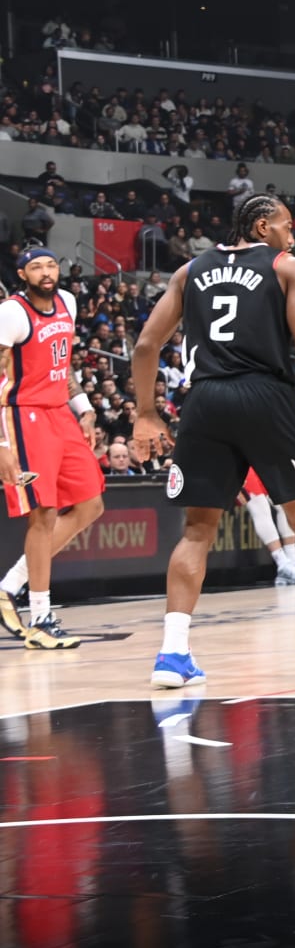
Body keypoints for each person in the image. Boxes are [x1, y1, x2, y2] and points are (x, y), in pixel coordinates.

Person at [130, 195, 295, 688]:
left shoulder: (189, 270)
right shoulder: (287, 266)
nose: (293, 235)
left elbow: (145, 345)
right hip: (265, 396)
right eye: (287, 225)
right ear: (263, 226)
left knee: (197, 531)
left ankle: (172, 655)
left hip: (205, 401)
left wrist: (147, 413)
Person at [0, 250, 105, 649]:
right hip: (22, 414)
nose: (46, 273)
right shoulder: (11, 312)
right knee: (43, 514)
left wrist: (86, 408)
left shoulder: (69, 302)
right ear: (23, 274)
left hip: (60, 411)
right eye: (36, 267)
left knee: (91, 503)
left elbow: (63, 364)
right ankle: (41, 617)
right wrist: (1, 444)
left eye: (51, 265)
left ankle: (10, 584)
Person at [240, 468, 295, 586]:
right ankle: (282, 563)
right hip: (238, 462)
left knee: (284, 502)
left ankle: (293, 560)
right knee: (259, 504)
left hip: (260, 460)